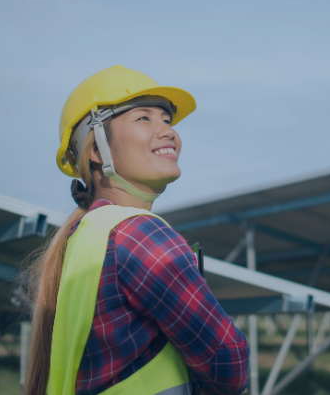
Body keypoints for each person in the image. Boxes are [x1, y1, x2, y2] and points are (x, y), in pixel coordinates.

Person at [24, 65, 249, 395]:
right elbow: (229, 365)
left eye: (167, 119)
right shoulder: (139, 235)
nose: (168, 131)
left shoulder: (84, 236)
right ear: (98, 149)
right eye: (144, 118)